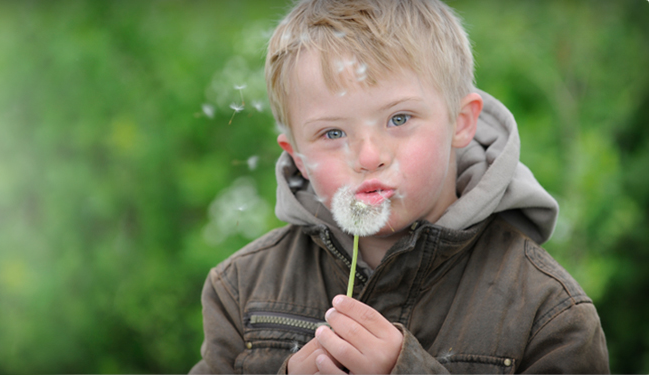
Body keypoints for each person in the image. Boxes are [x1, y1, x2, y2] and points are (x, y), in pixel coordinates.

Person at [189, 0, 609, 373]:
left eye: (399, 119)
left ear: (462, 122)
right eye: (333, 133)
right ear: (298, 156)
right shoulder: (240, 288)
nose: (368, 156)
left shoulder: (548, 311)